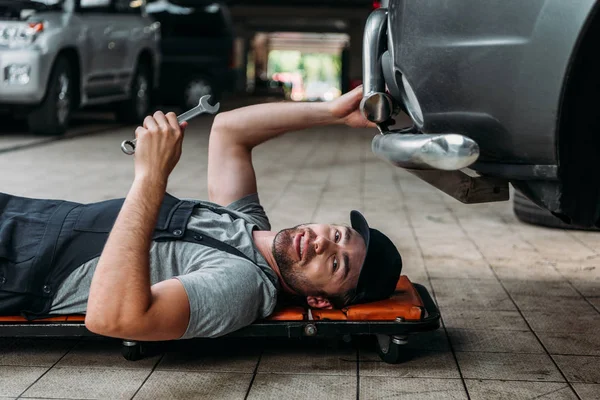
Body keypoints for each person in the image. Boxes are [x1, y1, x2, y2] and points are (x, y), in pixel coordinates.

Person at [0, 86, 402, 342]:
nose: (318, 243)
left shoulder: (243, 286)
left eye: (333, 263)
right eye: (334, 234)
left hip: (18, 268)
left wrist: (151, 176)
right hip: (21, 213)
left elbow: (114, 318)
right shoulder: (247, 222)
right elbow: (230, 131)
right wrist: (331, 113)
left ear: (320, 300)